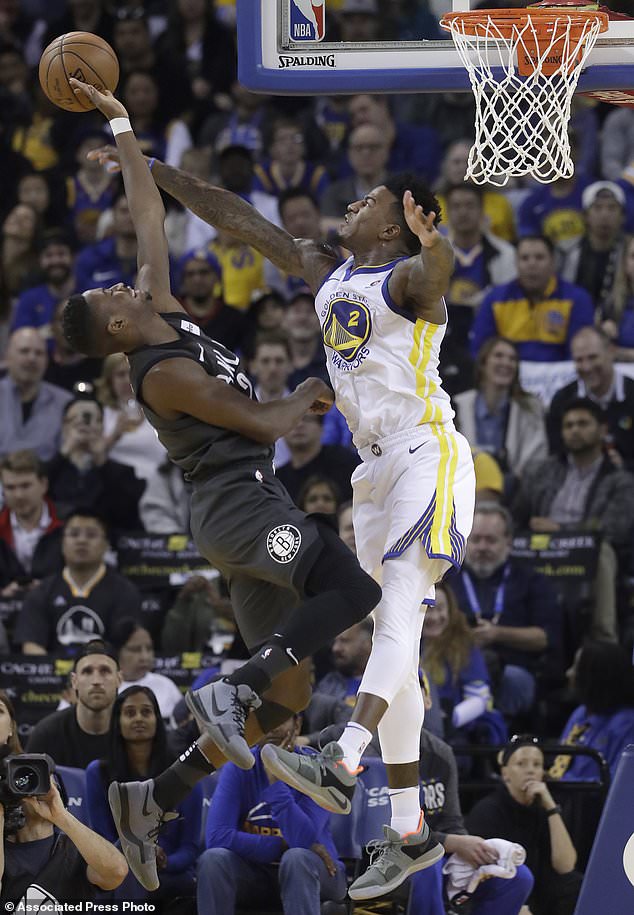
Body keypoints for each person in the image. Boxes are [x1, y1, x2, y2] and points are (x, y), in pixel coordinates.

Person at [94, 87, 477, 900]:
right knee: (384, 644)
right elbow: (241, 221)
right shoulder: (327, 271)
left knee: (396, 600)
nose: (353, 198)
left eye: (369, 197)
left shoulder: (407, 280)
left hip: (424, 453)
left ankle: (342, 760)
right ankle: (407, 830)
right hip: (370, 471)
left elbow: (438, 275)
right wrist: (156, 169)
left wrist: (438, 242)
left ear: (395, 222)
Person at [62, 80, 380, 892]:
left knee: (290, 694)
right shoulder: (160, 372)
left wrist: (124, 124)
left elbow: (146, 213)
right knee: (348, 587)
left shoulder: (158, 306)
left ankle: (151, 797)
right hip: (235, 509)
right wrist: (307, 392)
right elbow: (262, 424)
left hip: (249, 506)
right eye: (107, 296)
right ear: (117, 331)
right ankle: (226, 689)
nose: (116, 282)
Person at [197, 714, 347, 915]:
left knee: (297, 858)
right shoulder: (239, 767)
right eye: (265, 719)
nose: (273, 728)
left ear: (297, 724)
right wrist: (281, 845)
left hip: (319, 872)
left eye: (280, 718)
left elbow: (303, 840)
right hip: (257, 873)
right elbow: (217, 837)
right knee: (213, 860)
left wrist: (275, 781)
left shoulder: (319, 770)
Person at [85, 686, 201, 901]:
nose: (139, 719)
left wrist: (164, 860)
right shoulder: (98, 773)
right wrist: (138, 855)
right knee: (130, 865)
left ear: (157, 719)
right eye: (130, 713)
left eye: (146, 712)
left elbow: (190, 848)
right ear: (117, 723)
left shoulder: (184, 772)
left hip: (172, 874)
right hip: (120, 870)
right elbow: (101, 840)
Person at [450, 503, 559, 717]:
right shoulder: (448, 579)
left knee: (514, 680)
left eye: (491, 540)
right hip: (457, 665)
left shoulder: (531, 580)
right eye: (476, 539)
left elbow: (546, 637)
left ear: (508, 542)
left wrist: (497, 634)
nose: (482, 547)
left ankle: (495, 737)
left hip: (511, 667)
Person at [466, 736, 583, 915]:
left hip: (537, 895)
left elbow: (566, 866)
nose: (530, 771)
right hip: (499, 893)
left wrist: (551, 807)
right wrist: (515, 904)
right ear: (505, 773)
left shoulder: (544, 809)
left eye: (537, 765)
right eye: (521, 764)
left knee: (575, 885)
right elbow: (480, 874)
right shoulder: (487, 811)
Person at [15, 510, 142, 655]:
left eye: (91, 535)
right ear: (62, 542)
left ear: (106, 544)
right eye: (74, 534)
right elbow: (32, 646)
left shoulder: (125, 592)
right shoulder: (42, 592)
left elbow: (129, 647)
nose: (81, 541)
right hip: (54, 676)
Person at [0, 778, 128, 909]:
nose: (34, 791)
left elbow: (117, 872)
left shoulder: (80, 850)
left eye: (43, 781)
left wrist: (61, 815)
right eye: (23, 783)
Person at [470, 235, 595, 361]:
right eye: (524, 258)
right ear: (516, 263)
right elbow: (481, 351)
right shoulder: (495, 300)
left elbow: (581, 353)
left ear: (553, 262)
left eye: (539, 257)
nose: (532, 264)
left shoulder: (577, 299)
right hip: (508, 374)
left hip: (561, 376)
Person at [454, 337, 548, 493]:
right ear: (483, 364)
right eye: (498, 356)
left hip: (513, 492)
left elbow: (536, 459)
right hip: (463, 487)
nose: (506, 363)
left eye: (512, 359)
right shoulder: (457, 404)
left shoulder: (530, 408)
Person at [421, 581, 506, 749]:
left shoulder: (464, 647)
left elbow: (480, 699)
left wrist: (446, 721)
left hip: (452, 735)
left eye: (440, 609)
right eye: (428, 609)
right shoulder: (402, 646)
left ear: (450, 610)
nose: (435, 617)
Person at [46, 396, 146, 532]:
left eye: (93, 420)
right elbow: (36, 495)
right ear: (64, 426)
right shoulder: (49, 469)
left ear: (102, 427)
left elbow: (126, 513)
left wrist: (101, 460)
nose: (84, 425)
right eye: (75, 420)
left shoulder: (122, 473)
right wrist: (65, 452)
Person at [547, 325, 634, 469]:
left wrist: (624, 466)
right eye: (579, 360)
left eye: (593, 357)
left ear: (611, 352)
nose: (586, 367)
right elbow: (556, 455)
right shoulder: (562, 400)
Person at [25, 640, 121, 768]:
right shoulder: (47, 734)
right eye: (87, 671)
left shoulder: (134, 732)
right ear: (74, 681)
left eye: (105, 671)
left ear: (119, 679)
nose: (96, 681)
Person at [550, 640, 634, 781]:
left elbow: (617, 786)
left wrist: (562, 783)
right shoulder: (580, 713)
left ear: (595, 677)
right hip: (561, 797)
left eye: (576, 668)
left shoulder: (627, 725)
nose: (568, 673)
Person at [0, 327, 72, 461]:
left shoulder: (65, 403)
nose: (32, 358)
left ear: (46, 361)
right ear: (6, 356)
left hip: (48, 478)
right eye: (24, 351)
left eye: (39, 353)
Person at [94, 352, 167, 483]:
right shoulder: (101, 413)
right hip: (116, 485)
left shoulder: (157, 409)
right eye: (120, 375)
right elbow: (92, 458)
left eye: (130, 373)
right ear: (110, 381)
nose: (127, 380)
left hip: (158, 484)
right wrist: (114, 435)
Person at [0, 449, 63, 588]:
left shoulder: (68, 524)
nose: (18, 495)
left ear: (44, 485)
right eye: (10, 488)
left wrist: (45, 591)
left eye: (25, 486)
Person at [276, 413, 359, 504]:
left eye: (307, 419)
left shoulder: (343, 460)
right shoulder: (278, 479)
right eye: (293, 421)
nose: (299, 425)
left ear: (322, 428)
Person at [111, 618, 183, 722]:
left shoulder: (166, 685)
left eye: (149, 649)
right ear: (117, 652)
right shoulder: (109, 687)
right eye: (135, 650)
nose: (145, 657)